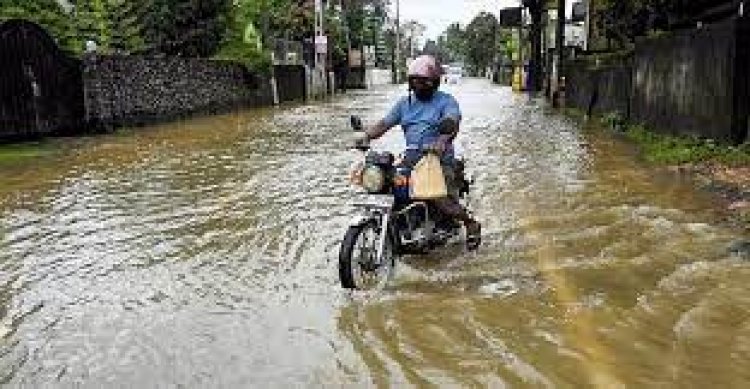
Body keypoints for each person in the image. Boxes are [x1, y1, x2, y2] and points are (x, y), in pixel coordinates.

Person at [355, 54, 481, 250]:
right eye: (414, 81)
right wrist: (366, 136)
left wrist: (441, 140)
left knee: (438, 198)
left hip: (438, 161)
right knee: (386, 184)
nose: (418, 85)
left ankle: (470, 223)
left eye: (423, 81)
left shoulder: (446, 102)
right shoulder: (404, 104)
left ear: (434, 82)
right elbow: (383, 124)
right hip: (412, 159)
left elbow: (452, 122)